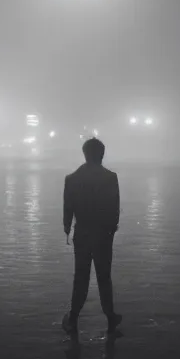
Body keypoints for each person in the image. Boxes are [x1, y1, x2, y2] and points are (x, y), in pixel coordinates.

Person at [61, 137, 123, 336]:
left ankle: (73, 317)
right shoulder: (110, 177)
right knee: (104, 277)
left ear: (85, 154)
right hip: (103, 235)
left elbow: (68, 208)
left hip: (83, 234)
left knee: (81, 278)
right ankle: (110, 316)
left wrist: (67, 228)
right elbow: (114, 208)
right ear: (101, 154)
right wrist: (111, 229)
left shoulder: (72, 179)